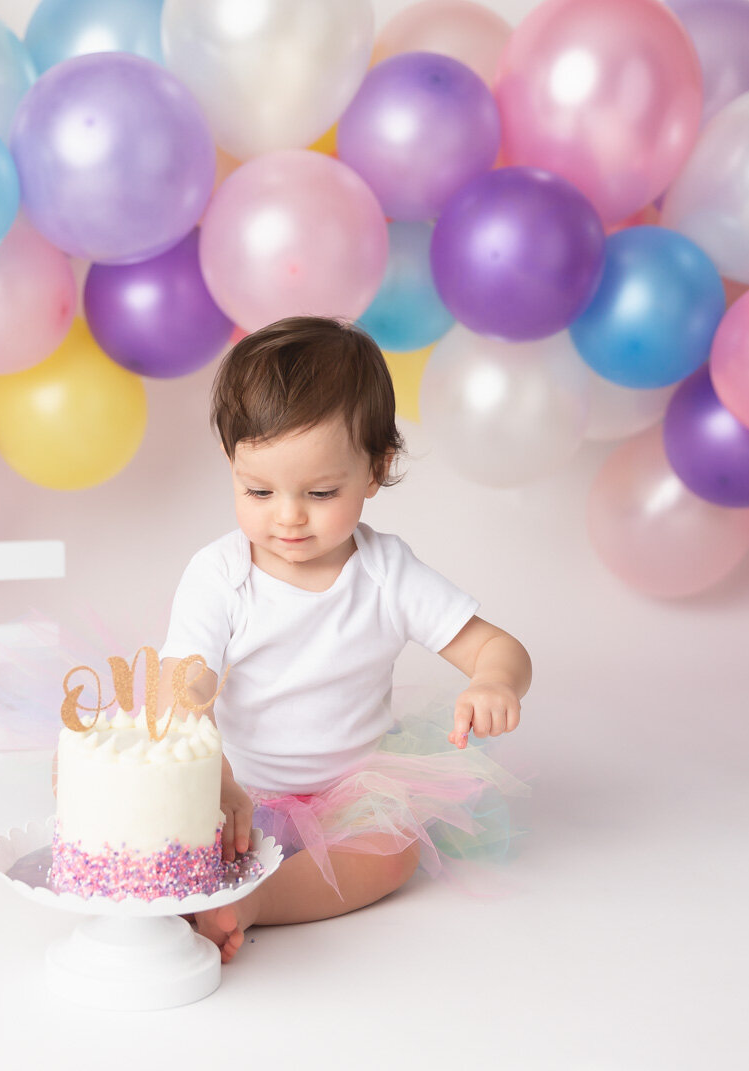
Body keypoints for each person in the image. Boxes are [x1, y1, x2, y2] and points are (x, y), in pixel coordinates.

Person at [157, 315, 531, 962]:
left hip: (351, 790)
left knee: (392, 853)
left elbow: (496, 646)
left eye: (321, 491)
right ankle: (208, 881)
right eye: (258, 488)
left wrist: (495, 679)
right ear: (231, 463)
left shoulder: (387, 574)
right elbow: (180, 691)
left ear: (375, 469)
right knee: (161, 816)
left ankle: (257, 900)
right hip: (236, 787)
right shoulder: (220, 575)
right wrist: (210, 774)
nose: (288, 515)